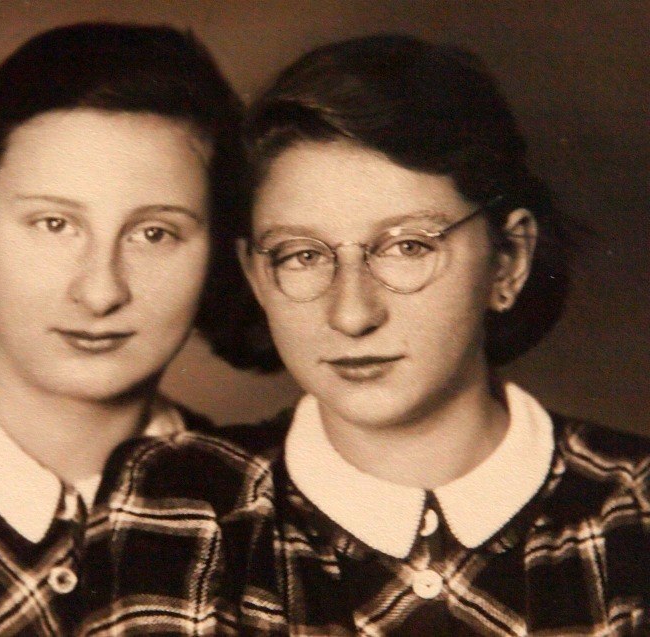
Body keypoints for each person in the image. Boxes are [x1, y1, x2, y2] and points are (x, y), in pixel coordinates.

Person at [106, 34, 650, 634]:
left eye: (408, 247)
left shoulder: (635, 504)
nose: (351, 314)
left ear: (509, 261)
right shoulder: (187, 500)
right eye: (303, 255)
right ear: (256, 276)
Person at [0, 22, 247, 634]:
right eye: (54, 224)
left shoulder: (257, 509)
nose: (100, 291)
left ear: (218, 252)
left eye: (155, 233)